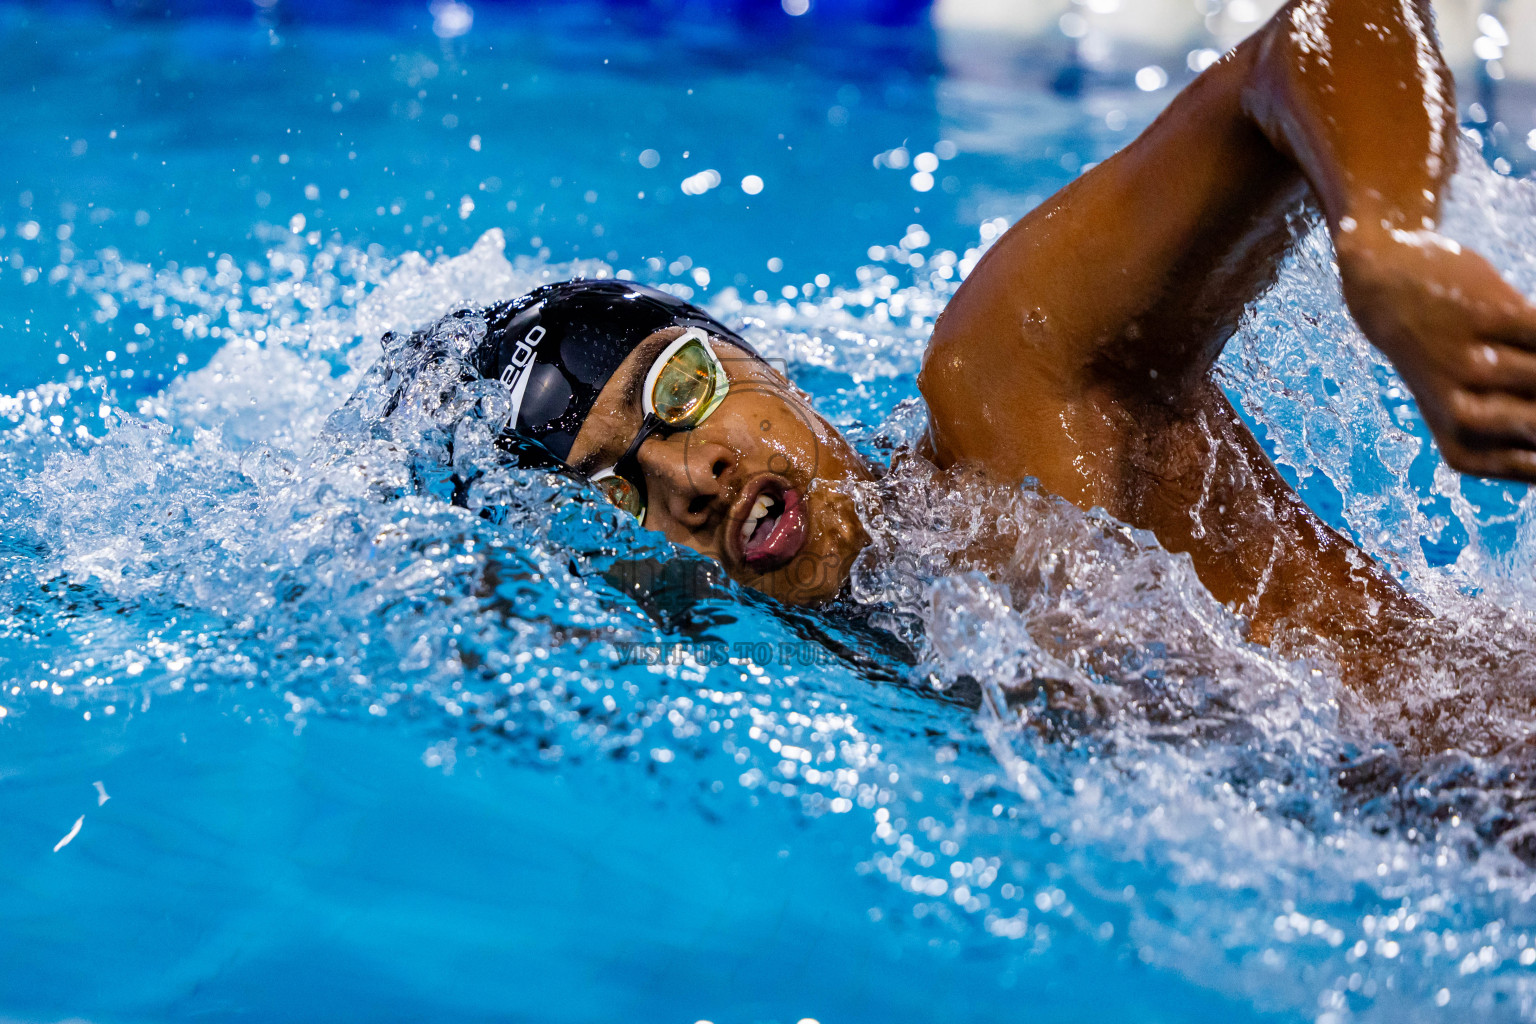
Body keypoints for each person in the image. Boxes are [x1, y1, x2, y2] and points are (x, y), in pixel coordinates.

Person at [457, 0, 1536, 694]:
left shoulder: (1007, 387)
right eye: (624, 485)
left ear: (758, 361)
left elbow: (1325, 29)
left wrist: (1389, 239)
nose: (693, 476)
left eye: (681, 392)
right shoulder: (834, 630)